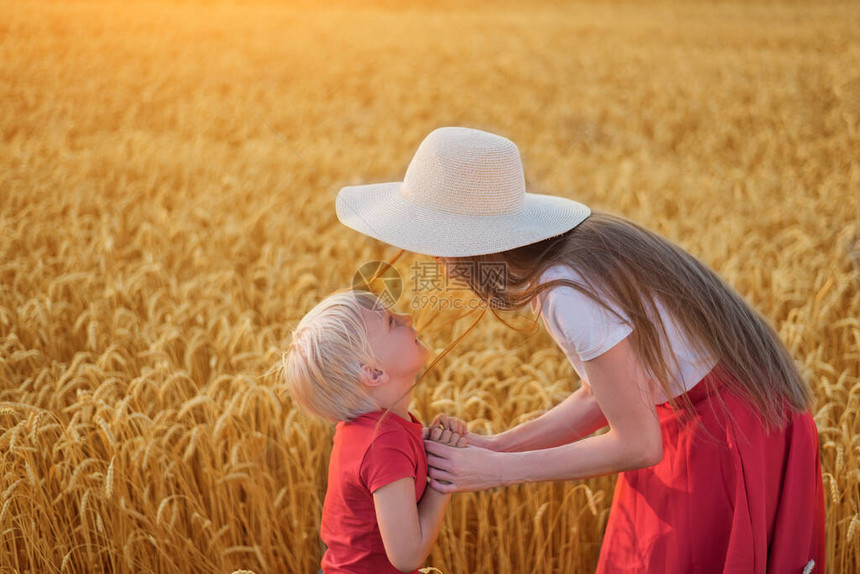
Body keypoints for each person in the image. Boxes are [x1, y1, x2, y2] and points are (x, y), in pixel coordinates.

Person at [335, 126, 826, 573]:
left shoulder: (566, 290)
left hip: (726, 432)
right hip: (712, 417)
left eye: (440, 247)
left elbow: (638, 444)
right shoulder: (568, 259)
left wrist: (499, 471)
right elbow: (600, 398)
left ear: (475, 245)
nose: (440, 266)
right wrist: (499, 444)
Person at [280, 289, 467, 574]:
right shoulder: (384, 443)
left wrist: (432, 445)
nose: (408, 317)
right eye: (392, 321)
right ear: (374, 373)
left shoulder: (372, 428)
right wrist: (443, 480)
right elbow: (407, 556)